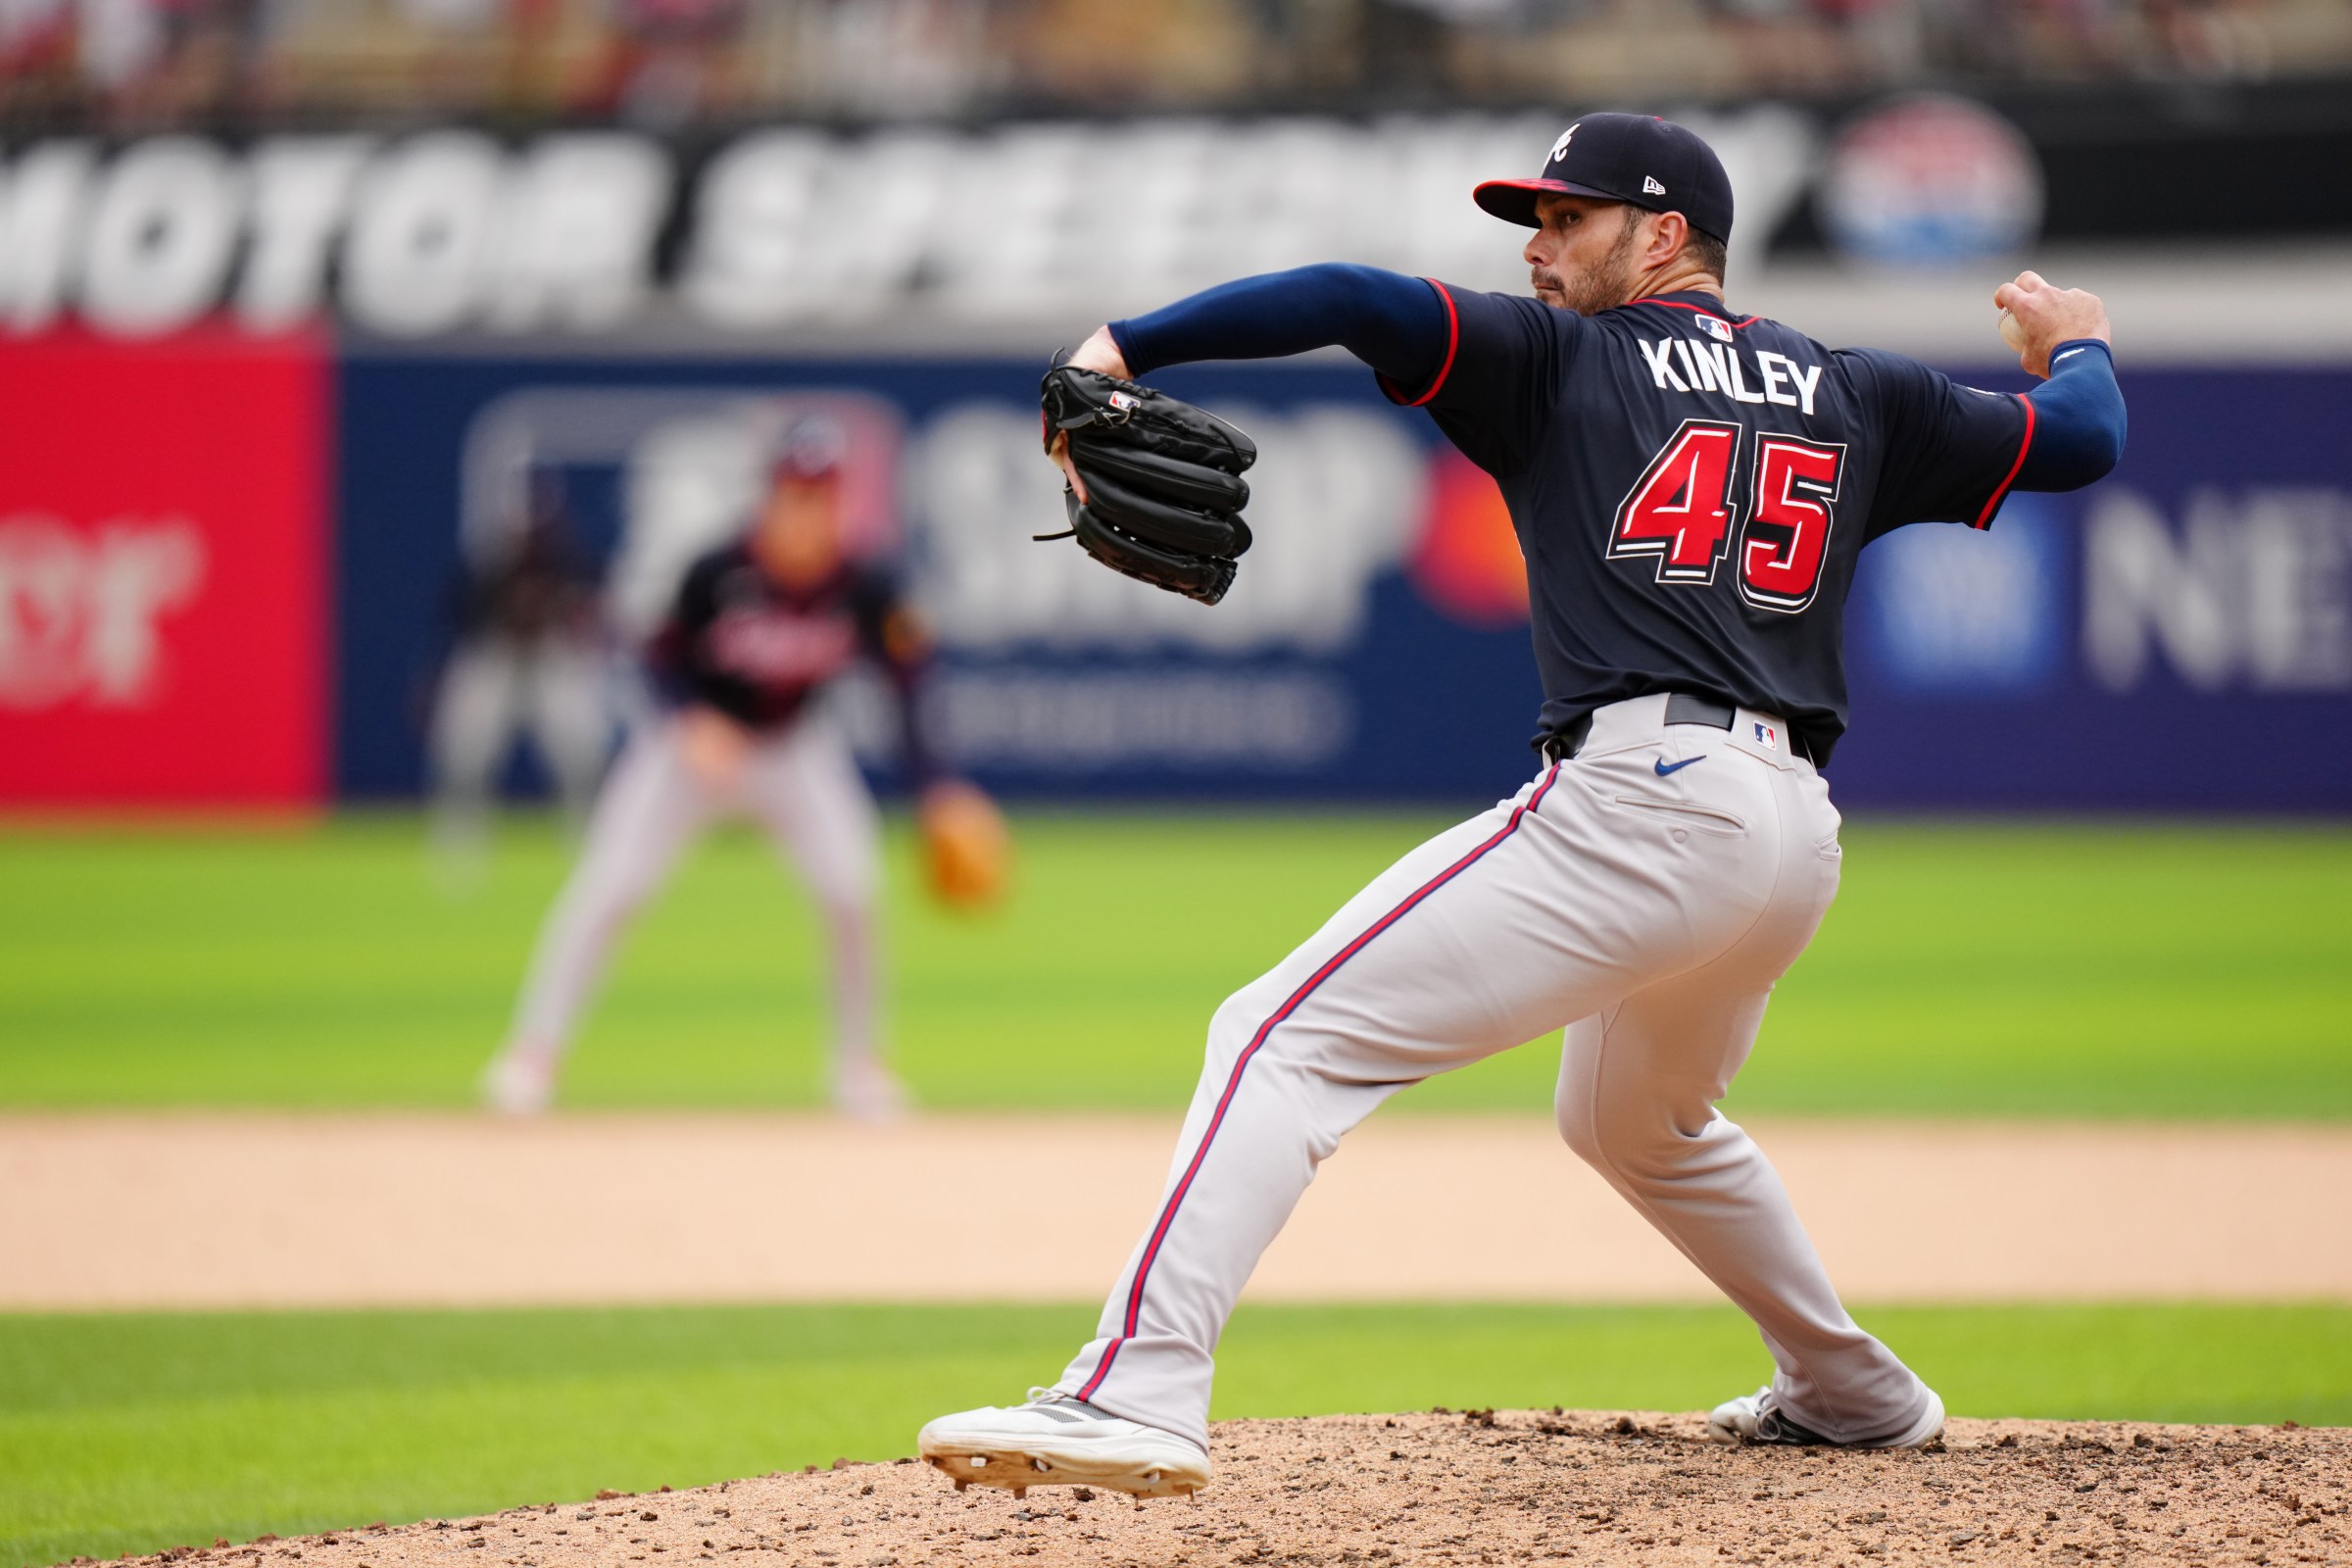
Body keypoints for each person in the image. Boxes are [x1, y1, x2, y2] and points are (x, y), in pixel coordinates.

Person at [917, 113, 2126, 1495]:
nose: (1541, 249)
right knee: (1633, 1122)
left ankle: (1134, 1389)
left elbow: (1343, 299)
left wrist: (1118, 348)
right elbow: (2080, 438)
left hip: (1649, 802)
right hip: (1790, 837)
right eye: (1534, 224)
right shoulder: (1854, 389)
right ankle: (1851, 1388)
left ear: (1662, 236)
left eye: (1570, 219)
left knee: (1277, 1039)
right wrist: (2076, 336)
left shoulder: (1553, 356)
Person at [481, 418, 1002, 1120]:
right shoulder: (718, 570)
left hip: (793, 749)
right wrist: (690, 717)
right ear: (770, 497)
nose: (806, 509)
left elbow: (907, 682)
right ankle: (531, 1057)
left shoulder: (863, 584)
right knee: (609, 891)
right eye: (793, 492)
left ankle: (860, 1069)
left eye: (819, 495)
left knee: (853, 893)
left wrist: (938, 785)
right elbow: (655, 658)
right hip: (688, 754)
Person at [427, 469, 612, 884]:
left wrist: (577, 630)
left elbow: (595, 612)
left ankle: (587, 844)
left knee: (581, 752)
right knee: (466, 753)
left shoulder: (570, 560)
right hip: (496, 655)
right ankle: (459, 847)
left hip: (553, 657)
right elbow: (458, 618)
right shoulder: (490, 563)